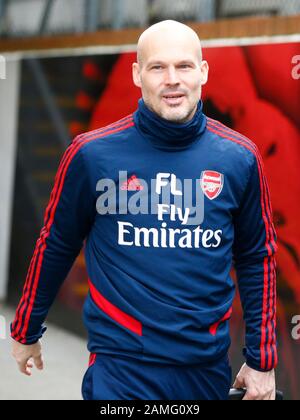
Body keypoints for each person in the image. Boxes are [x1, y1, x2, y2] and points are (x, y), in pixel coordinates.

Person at [11, 20, 277, 400]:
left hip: (204, 370)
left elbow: (257, 257)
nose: (172, 79)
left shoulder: (240, 158)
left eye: (184, 66)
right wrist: (26, 329)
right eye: (157, 67)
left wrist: (262, 358)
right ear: (137, 74)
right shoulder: (91, 154)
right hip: (119, 371)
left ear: (202, 71)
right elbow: (55, 244)